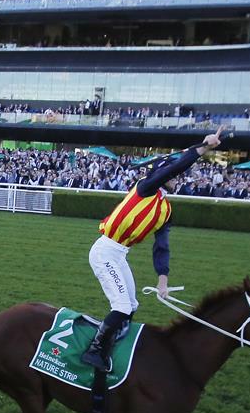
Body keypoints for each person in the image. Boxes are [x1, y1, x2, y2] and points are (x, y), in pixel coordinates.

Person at [81, 127, 226, 373]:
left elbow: (162, 248)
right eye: (174, 174)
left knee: (132, 305)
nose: (178, 178)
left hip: (119, 254)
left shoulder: (166, 211)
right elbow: (174, 168)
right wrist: (204, 147)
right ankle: (95, 352)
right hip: (104, 251)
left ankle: (115, 338)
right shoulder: (146, 187)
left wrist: (163, 281)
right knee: (122, 307)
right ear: (161, 172)